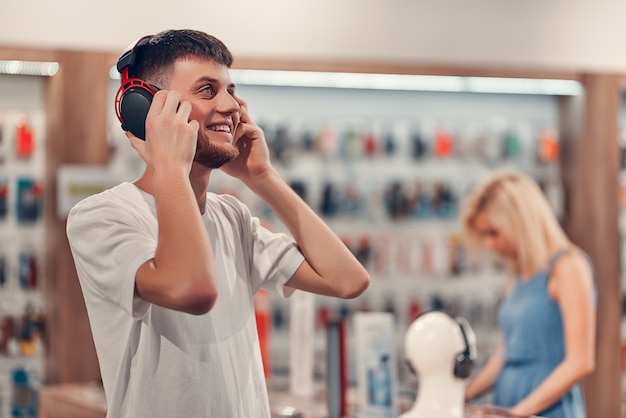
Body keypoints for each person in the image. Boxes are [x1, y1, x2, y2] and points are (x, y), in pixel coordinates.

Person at [65, 29, 370, 418]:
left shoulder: (233, 218)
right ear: (147, 110)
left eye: (231, 90)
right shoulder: (102, 217)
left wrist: (263, 177)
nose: (232, 107)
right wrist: (170, 167)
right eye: (208, 91)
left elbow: (347, 280)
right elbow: (192, 290)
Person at [462, 170, 596, 418]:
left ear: (519, 222)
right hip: (511, 403)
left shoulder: (569, 268)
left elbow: (581, 361)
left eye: (493, 232)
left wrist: (519, 412)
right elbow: (509, 350)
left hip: (547, 410)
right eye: (484, 236)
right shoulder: (519, 274)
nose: (489, 244)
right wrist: (465, 394)